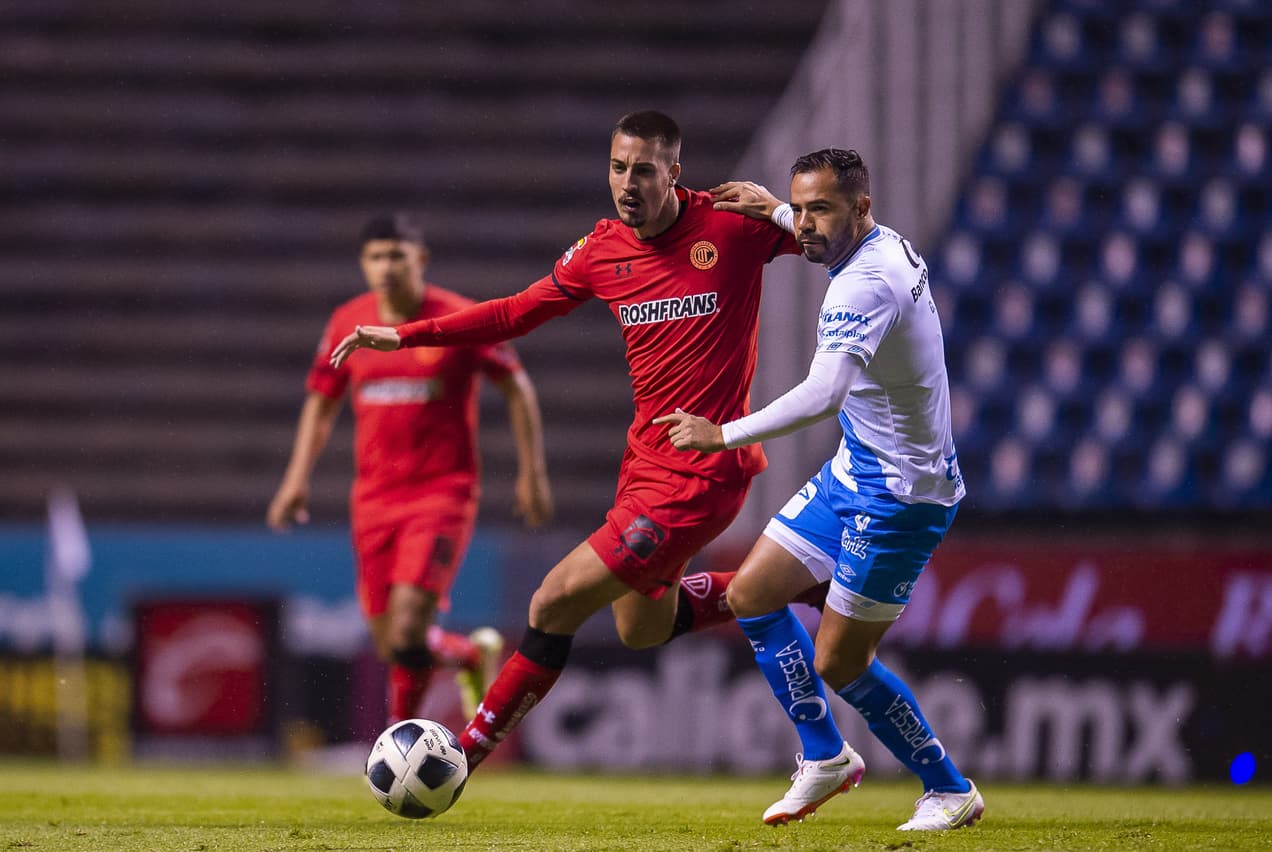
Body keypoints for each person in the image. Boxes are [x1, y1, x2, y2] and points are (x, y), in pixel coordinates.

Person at [329, 110, 806, 772]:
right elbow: (513, 312)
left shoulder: (731, 225)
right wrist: (407, 336)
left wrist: (781, 211)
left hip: (702, 471)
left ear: (674, 172)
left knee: (552, 602)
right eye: (617, 168)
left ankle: (460, 756)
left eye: (644, 170)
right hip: (643, 466)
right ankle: (796, 579)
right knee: (642, 629)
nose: (627, 183)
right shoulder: (602, 250)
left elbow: (844, 241)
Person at [657, 149, 983, 831]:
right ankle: (825, 755)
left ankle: (949, 789)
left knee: (840, 661)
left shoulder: (864, 284)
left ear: (861, 208)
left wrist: (722, 435)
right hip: (854, 469)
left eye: (819, 210)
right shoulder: (879, 242)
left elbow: (824, 393)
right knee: (751, 594)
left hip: (902, 495)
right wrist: (774, 209)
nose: (804, 224)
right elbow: (816, 225)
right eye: (800, 209)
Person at [268, 212, 554, 726]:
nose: (386, 267)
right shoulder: (347, 322)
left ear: (420, 259)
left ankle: (397, 740)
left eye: (396, 256)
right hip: (373, 498)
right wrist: (295, 480)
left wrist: (531, 473)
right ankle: (467, 654)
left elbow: (517, 386)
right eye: (376, 257)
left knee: (405, 629)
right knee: (390, 643)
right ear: (363, 264)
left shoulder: (457, 317)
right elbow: (322, 400)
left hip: (442, 493)